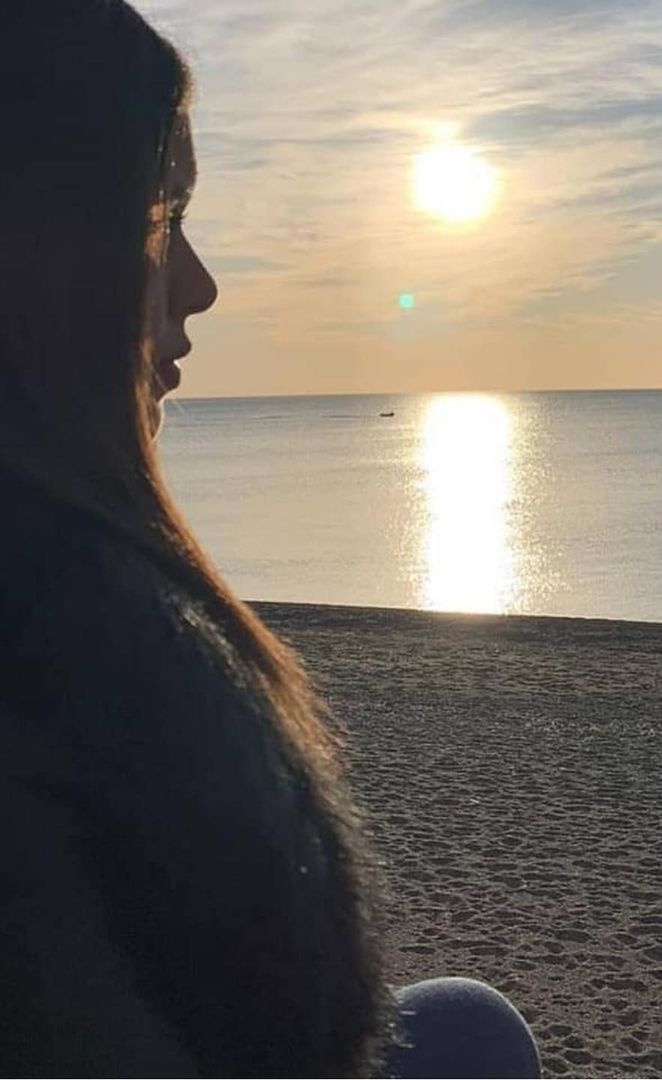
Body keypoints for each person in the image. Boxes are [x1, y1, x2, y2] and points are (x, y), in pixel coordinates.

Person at [0, 3, 540, 1076]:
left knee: (465, 1024)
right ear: (47, 256)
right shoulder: (67, 641)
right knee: (476, 1038)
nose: (200, 286)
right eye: (162, 217)